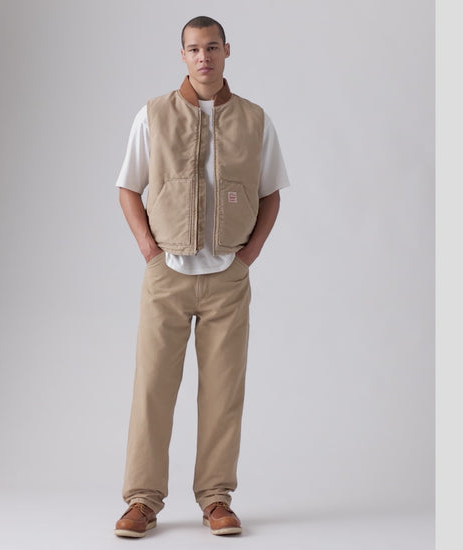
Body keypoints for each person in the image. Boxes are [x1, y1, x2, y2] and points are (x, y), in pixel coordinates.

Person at [113, 15, 290, 538]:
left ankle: (216, 498)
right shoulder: (153, 114)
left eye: (212, 47)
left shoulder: (255, 120)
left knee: (222, 393)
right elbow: (128, 187)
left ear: (227, 51)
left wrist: (248, 256)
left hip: (227, 279)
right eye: (194, 49)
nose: (203, 57)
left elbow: (270, 193)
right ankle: (142, 501)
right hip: (166, 275)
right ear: (183, 55)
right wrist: (148, 249)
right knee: (152, 389)